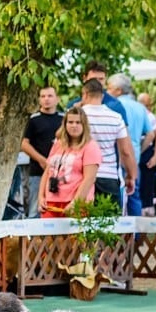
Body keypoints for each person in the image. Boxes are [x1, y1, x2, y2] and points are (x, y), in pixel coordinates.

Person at [79, 78, 136, 206]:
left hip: (82, 175)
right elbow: (125, 151)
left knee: (82, 221)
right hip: (109, 175)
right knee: (110, 221)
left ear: (85, 94)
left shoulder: (78, 117)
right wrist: (131, 176)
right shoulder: (116, 117)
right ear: (102, 96)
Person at [37, 107, 102, 218]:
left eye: (78, 122)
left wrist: (75, 203)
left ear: (84, 125)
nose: (74, 126)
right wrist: (41, 197)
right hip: (51, 202)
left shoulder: (91, 146)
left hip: (76, 202)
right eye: (70, 122)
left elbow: (89, 179)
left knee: (73, 235)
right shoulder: (58, 144)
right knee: (49, 235)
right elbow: (47, 172)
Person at [107, 73, 156, 216]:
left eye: (109, 88)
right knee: (134, 197)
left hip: (117, 157)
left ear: (118, 90)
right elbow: (151, 134)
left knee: (116, 197)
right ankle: (135, 235)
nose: (107, 92)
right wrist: (139, 150)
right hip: (134, 157)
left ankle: (119, 233)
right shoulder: (140, 107)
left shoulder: (113, 106)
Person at [20, 86, 64, 218]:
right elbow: (23, 144)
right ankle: (34, 238)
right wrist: (41, 160)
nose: (46, 99)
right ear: (39, 99)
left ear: (57, 99)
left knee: (58, 207)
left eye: (50, 96)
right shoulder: (34, 120)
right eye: (43, 96)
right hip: (38, 171)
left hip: (60, 173)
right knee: (36, 208)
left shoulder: (64, 119)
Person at [137, 92, 156, 216]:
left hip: (145, 154)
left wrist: (155, 156)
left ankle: (146, 211)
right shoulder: (141, 112)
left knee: (146, 185)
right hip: (139, 152)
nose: (150, 108)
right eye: (147, 105)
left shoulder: (148, 115)